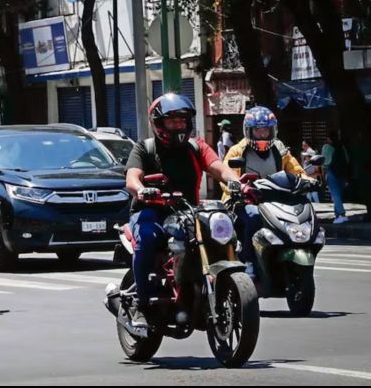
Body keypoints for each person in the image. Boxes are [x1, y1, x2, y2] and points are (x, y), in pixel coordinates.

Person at [125, 94, 243, 329]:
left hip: (189, 212)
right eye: (172, 121)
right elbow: (132, 177)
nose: (178, 125)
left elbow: (218, 168)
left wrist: (236, 183)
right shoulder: (145, 148)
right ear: (158, 123)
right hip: (152, 211)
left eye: (182, 120)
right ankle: (141, 302)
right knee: (147, 239)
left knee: (221, 233)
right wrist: (141, 190)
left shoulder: (196, 146)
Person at [223, 107, 317, 277]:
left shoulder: (279, 148)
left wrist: (308, 181)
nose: (263, 134)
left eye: (266, 130)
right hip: (243, 202)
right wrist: (239, 188)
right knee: (254, 216)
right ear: (249, 130)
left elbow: (295, 169)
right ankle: (249, 261)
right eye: (258, 130)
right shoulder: (237, 150)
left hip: (275, 201)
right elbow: (227, 177)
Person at [323, 131, 350, 224]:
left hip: (332, 172)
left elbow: (325, 162)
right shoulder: (342, 147)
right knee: (338, 195)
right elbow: (347, 160)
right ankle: (337, 215)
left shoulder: (327, 147)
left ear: (329, 139)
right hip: (342, 174)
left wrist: (324, 174)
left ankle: (342, 214)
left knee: (335, 195)